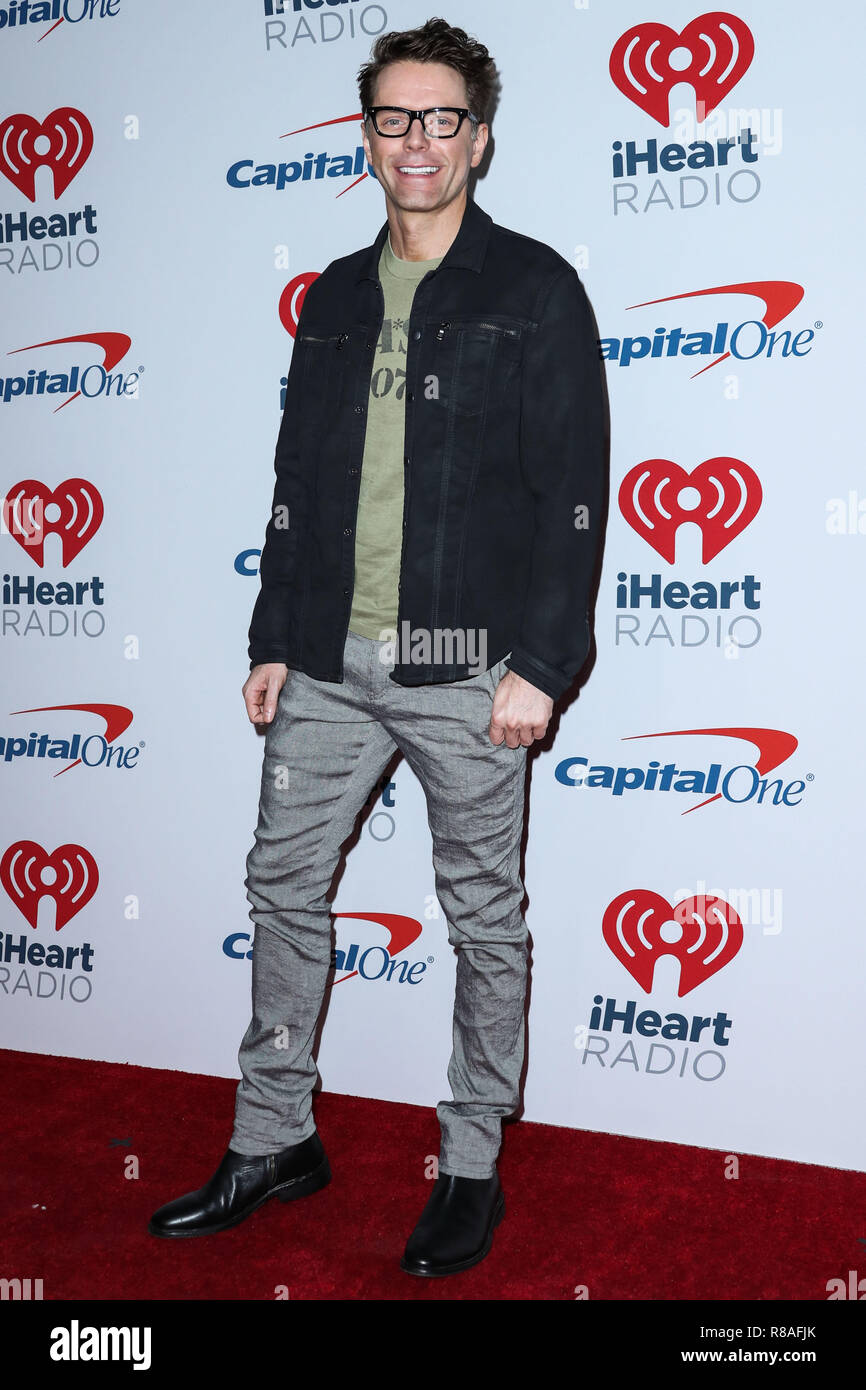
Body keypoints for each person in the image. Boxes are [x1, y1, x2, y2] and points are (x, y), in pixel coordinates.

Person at [149, 15, 607, 1277]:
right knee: (280, 889)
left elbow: (574, 493)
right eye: (395, 118)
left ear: (479, 138)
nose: (418, 140)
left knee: (482, 919)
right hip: (327, 666)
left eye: (441, 117)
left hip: (472, 666)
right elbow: (297, 477)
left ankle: (467, 1162)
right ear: (365, 136)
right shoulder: (338, 297)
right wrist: (274, 636)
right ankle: (273, 1137)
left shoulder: (533, 289)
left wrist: (542, 663)